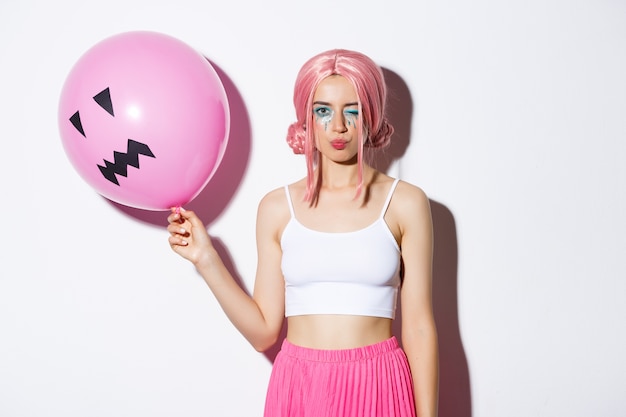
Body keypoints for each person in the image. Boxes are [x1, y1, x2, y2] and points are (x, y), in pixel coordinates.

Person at [167, 49, 438, 417]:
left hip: (379, 382)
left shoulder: (404, 203)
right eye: (323, 110)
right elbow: (263, 331)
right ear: (306, 119)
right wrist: (206, 258)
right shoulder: (277, 208)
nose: (338, 126)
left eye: (353, 109)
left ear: (371, 114)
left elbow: (419, 327)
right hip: (300, 386)